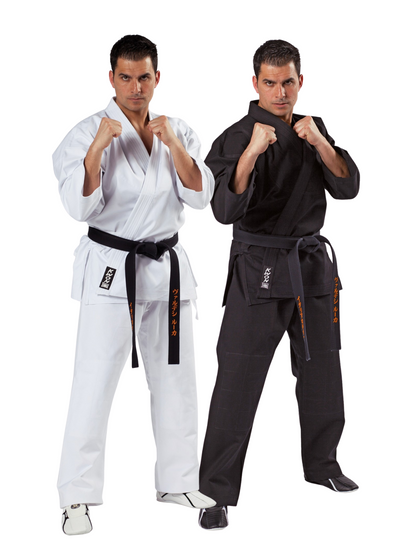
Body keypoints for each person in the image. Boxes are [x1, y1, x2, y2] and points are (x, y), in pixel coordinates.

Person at [53, 34, 215, 536]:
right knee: (94, 381)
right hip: (112, 269)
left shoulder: (177, 129)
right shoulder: (87, 132)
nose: (135, 87)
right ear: (112, 78)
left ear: (157, 77)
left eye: (144, 76)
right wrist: (98, 150)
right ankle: (76, 496)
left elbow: (200, 197)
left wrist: (173, 146)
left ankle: (178, 481)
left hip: (166, 269)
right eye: (125, 77)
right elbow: (77, 206)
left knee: (177, 380)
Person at [197, 39, 360, 530]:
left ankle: (323, 464)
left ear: (300, 81)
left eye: (288, 82)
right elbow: (223, 209)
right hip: (259, 268)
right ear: (255, 84)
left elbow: (347, 186)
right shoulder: (235, 136)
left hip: (309, 265)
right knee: (238, 380)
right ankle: (214, 492)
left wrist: (320, 143)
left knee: (322, 370)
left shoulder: (314, 128)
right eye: (270, 83)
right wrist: (251, 152)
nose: (280, 92)